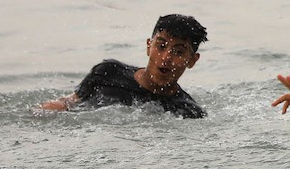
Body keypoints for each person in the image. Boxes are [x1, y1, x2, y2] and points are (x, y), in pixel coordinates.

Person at [40, 14, 208, 118]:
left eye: (178, 52)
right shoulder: (108, 72)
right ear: (149, 46)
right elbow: (68, 102)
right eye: (161, 46)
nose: (166, 58)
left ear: (192, 60)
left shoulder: (188, 112)